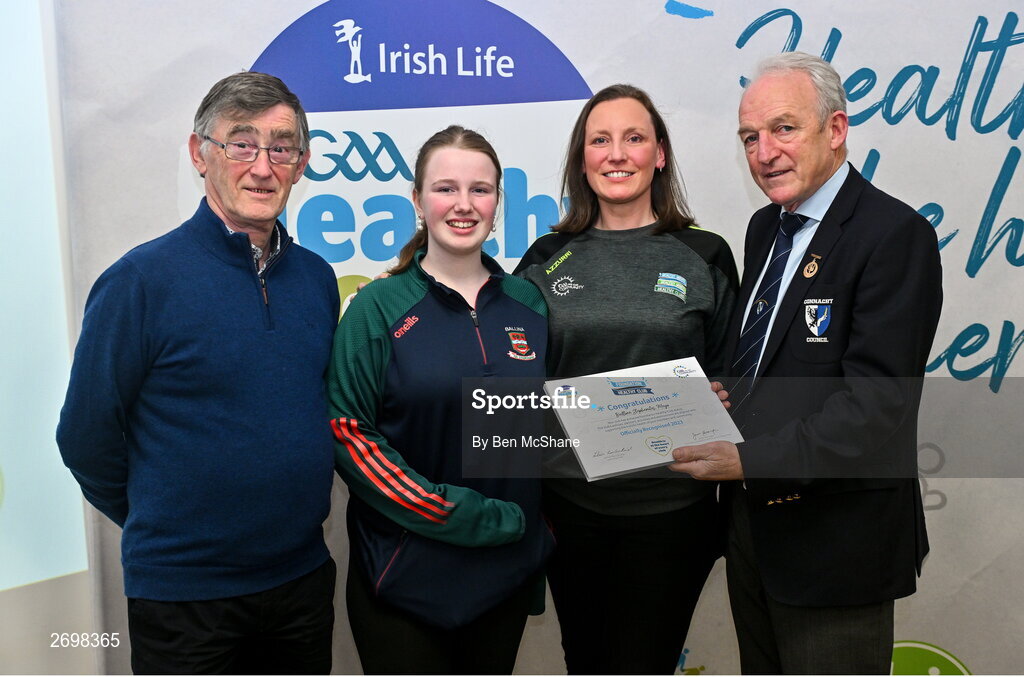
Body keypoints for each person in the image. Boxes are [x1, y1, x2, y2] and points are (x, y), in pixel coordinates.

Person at [56, 72, 339, 674]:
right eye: (241, 143)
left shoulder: (316, 280)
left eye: (281, 147)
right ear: (199, 154)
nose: (262, 167)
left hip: (301, 584)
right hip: (185, 599)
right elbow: (85, 438)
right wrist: (166, 518)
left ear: (301, 163)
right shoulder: (140, 282)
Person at [670, 52, 943, 674]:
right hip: (753, 534)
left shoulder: (894, 235)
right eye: (750, 137)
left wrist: (747, 459)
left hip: (835, 549)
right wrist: (722, 395)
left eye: (784, 129)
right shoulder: (766, 228)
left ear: (836, 130)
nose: (764, 152)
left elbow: (876, 408)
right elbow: (768, 366)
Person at [513, 84, 739, 674]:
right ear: (582, 159)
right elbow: (515, 382)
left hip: (673, 513)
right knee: (584, 661)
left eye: (634, 138)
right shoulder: (544, 256)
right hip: (570, 510)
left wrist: (723, 400)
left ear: (659, 154)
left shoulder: (706, 254)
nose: (617, 154)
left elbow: (734, 380)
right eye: (601, 140)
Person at [328, 125, 554, 674]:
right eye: (445, 188)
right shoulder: (377, 308)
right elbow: (349, 435)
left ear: (499, 202)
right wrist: (461, 515)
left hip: (504, 571)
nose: (463, 204)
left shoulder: (528, 302)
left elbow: (542, 424)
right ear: (418, 201)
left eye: (480, 189)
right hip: (406, 575)